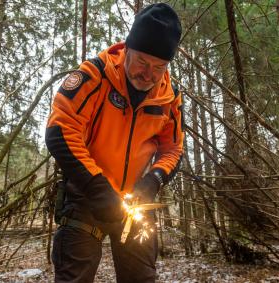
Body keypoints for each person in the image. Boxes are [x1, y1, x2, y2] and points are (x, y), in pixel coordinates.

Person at [45, 3, 183, 282]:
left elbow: (173, 148)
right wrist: (95, 185)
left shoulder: (169, 96)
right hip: (86, 196)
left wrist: (154, 180)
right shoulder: (94, 75)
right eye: (142, 62)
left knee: (141, 277)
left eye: (159, 67)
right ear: (127, 49)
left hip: (134, 205)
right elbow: (60, 129)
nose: (148, 75)